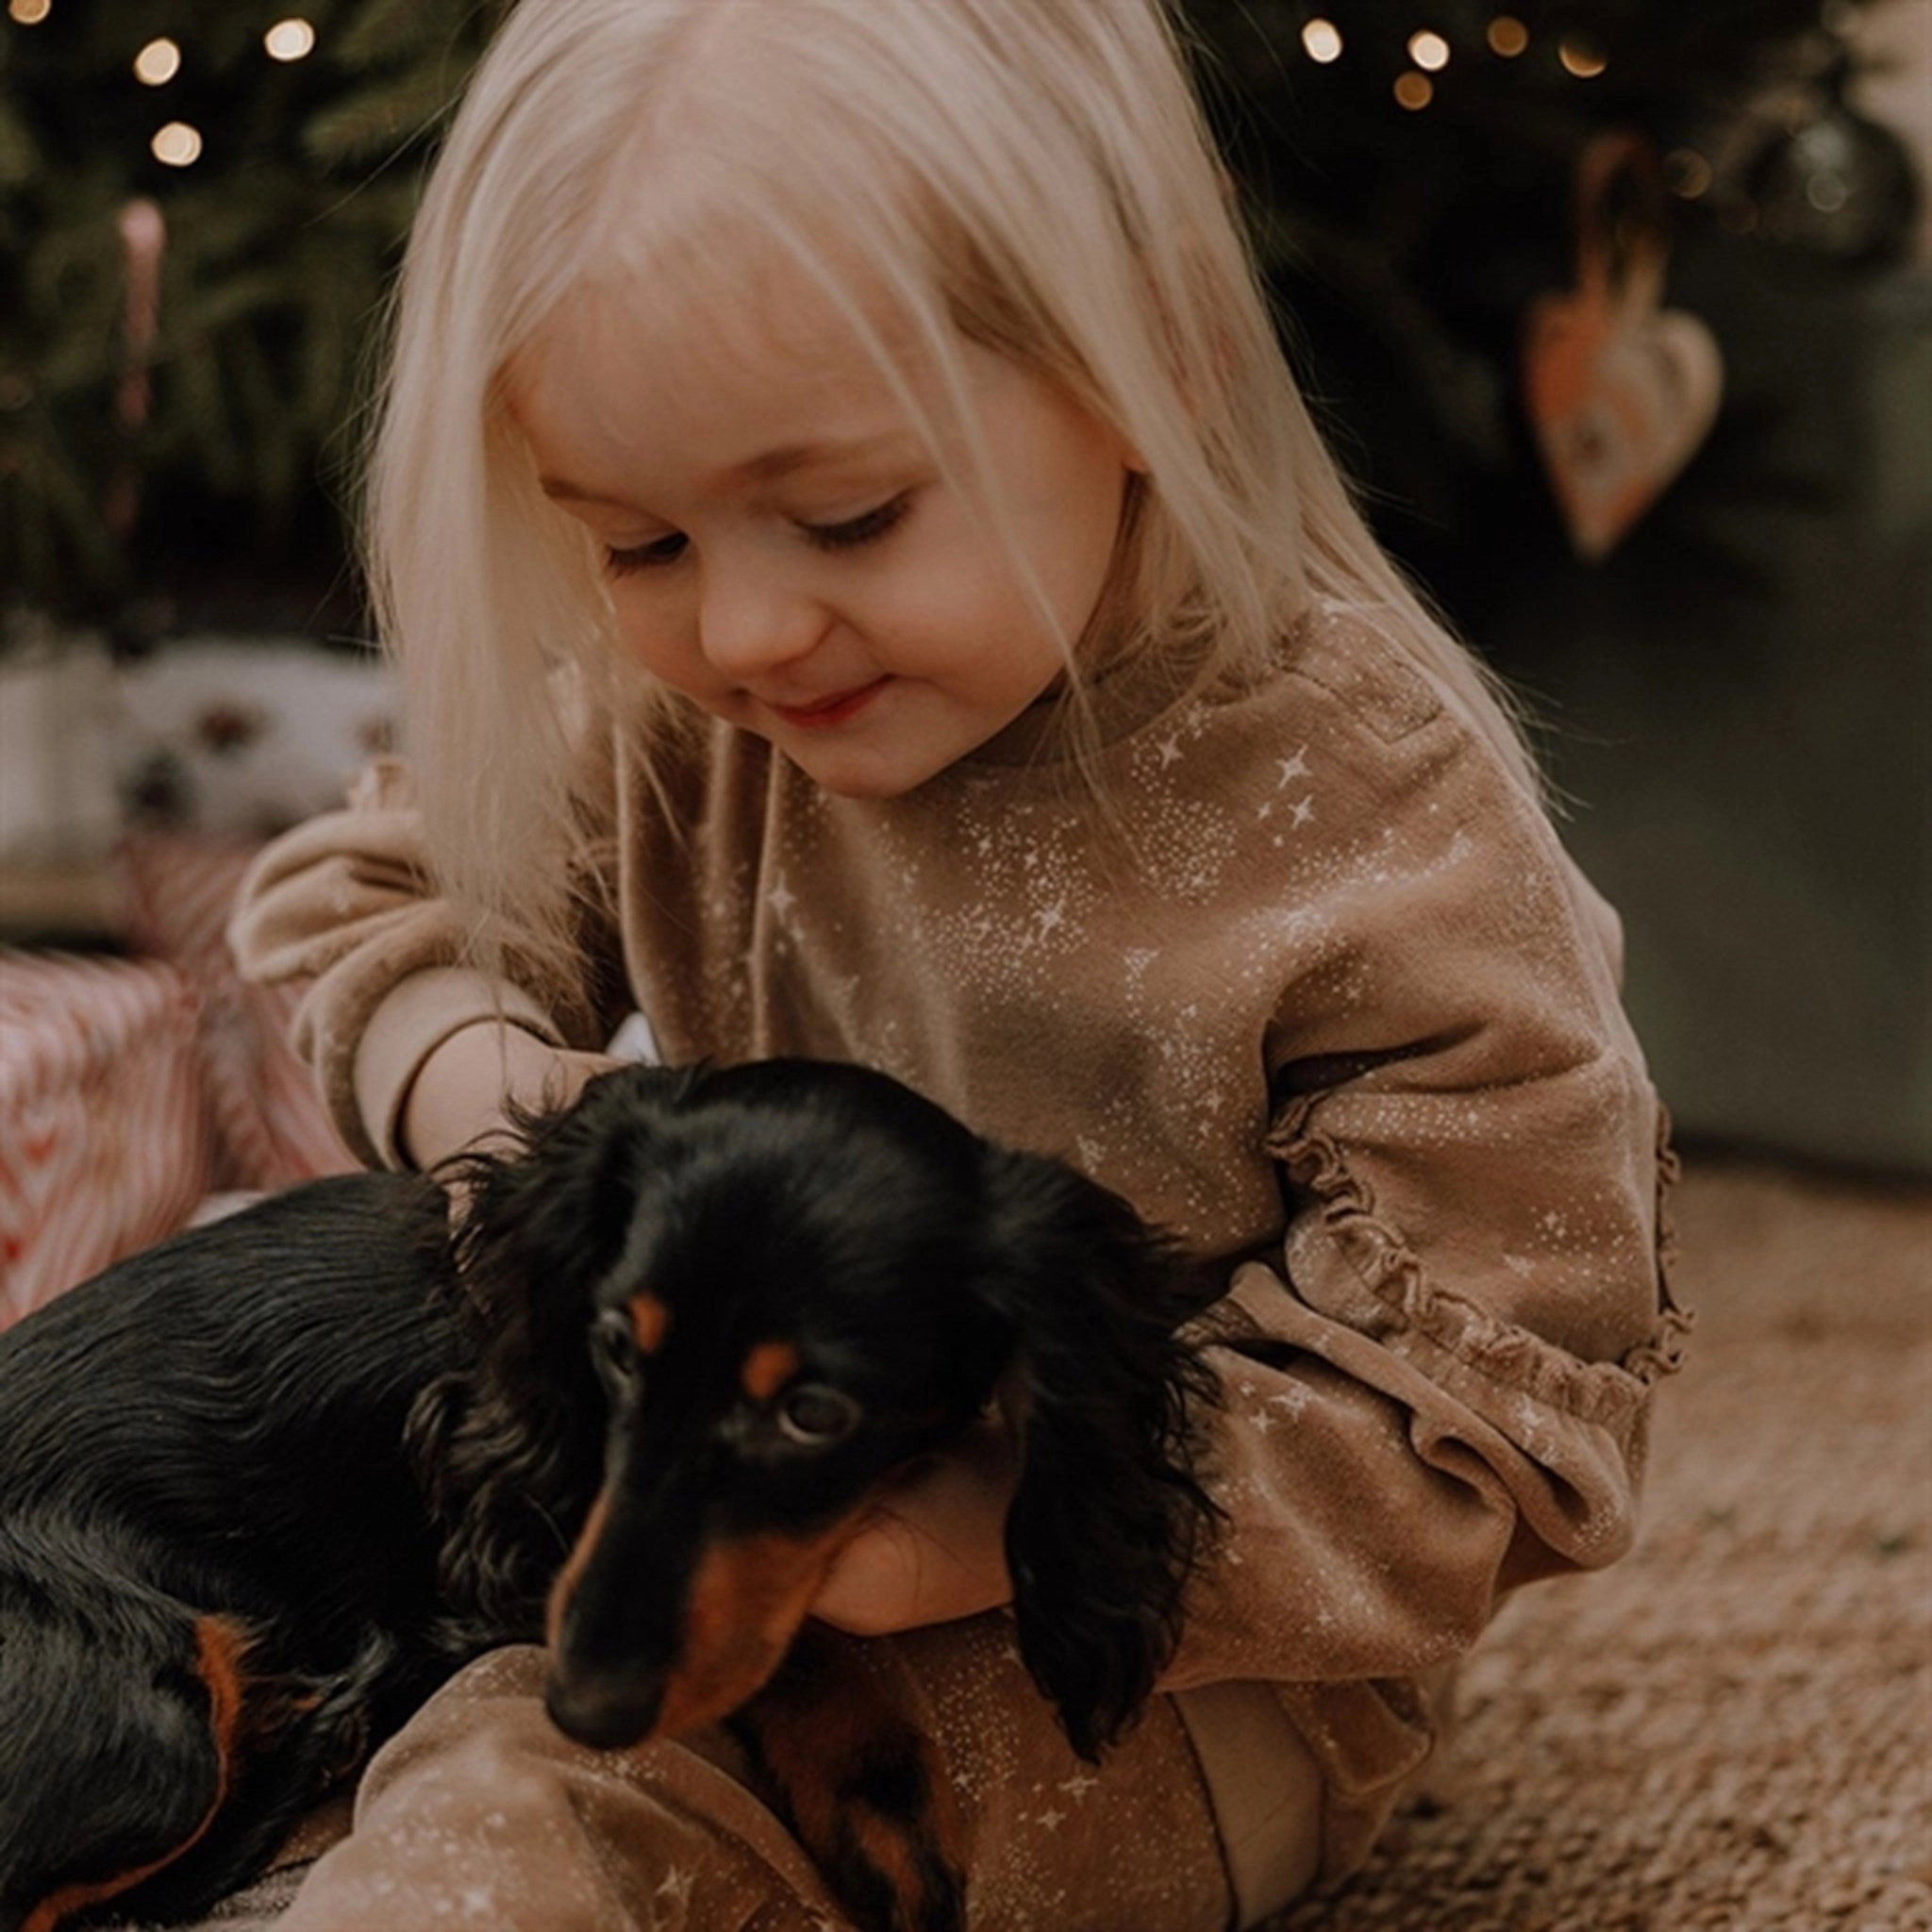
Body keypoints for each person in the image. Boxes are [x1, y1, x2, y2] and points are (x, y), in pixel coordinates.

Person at [229, 0, 1687, 1925]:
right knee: (306, 1661)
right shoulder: (696, 722)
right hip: (730, 1505)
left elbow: (1499, 1416)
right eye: (639, 541)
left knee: (555, 1807)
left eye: (848, 515)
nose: (743, 623)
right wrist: (498, 1093)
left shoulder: (1370, 815)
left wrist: (965, 1535)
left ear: (1136, 355)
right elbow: (377, 898)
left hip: (1173, 1655)